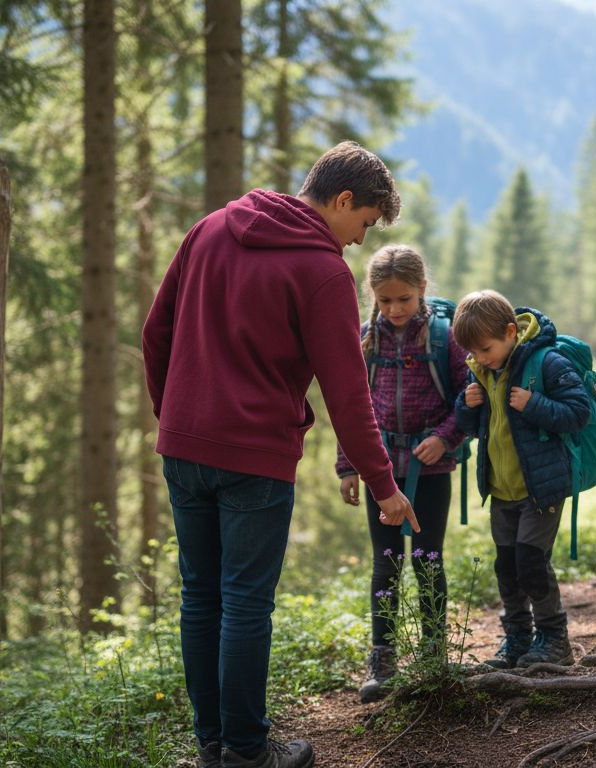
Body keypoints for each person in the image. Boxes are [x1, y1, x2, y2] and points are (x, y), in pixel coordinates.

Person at [142, 141, 419, 768]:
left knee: (200, 597)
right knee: (242, 601)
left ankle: (212, 747)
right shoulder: (320, 271)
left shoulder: (210, 228)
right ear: (342, 200)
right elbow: (348, 394)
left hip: (183, 449)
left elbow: (154, 332)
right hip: (254, 461)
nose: (358, 239)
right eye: (364, 223)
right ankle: (245, 751)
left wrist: (177, 416)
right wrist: (384, 485)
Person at [335, 244, 470, 703]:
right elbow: (350, 407)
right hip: (382, 472)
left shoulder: (443, 338)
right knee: (386, 562)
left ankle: (433, 653)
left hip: (431, 468)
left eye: (404, 299)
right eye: (385, 300)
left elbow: (469, 398)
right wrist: (348, 465)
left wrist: (446, 438)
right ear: (373, 295)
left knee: (427, 557)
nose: (394, 309)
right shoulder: (365, 339)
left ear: (422, 291)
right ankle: (384, 656)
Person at [453, 289, 590, 669]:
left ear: (511, 331)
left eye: (485, 348)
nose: (479, 357)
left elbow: (579, 411)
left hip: (540, 486)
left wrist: (534, 404)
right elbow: (471, 426)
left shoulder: (546, 362)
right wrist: (466, 405)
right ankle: (517, 638)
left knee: (531, 561)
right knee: (507, 565)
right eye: (474, 352)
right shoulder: (481, 369)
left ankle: (554, 637)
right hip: (501, 487)